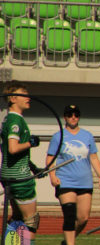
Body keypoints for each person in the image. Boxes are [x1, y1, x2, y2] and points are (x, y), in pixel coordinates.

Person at [46, 105, 100, 245]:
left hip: (85, 181)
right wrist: (52, 176)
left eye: (76, 115)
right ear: (65, 117)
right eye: (70, 114)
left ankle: (67, 241)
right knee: (70, 216)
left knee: (83, 218)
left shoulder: (87, 135)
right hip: (65, 181)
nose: (73, 117)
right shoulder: (58, 136)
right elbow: (50, 158)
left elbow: (94, 157)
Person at [1, 83, 41, 245]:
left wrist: (33, 166)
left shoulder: (8, 119)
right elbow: (13, 148)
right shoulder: (15, 120)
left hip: (9, 174)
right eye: (23, 94)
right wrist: (31, 143)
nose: (28, 98)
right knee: (31, 220)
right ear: (12, 98)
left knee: (17, 217)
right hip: (20, 178)